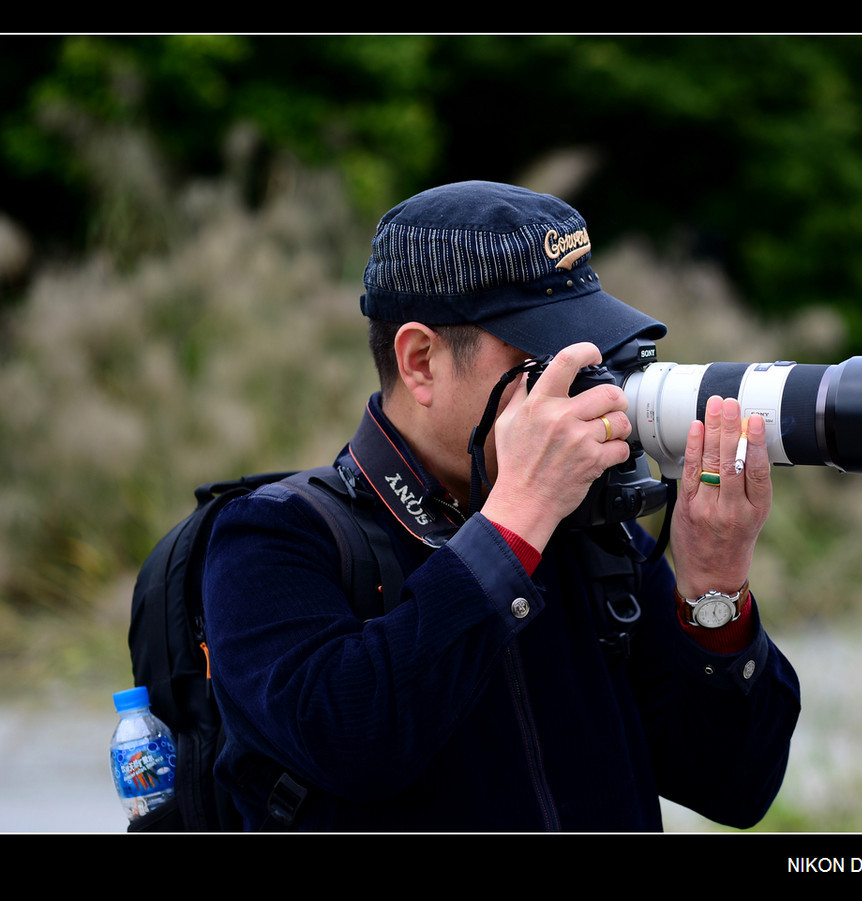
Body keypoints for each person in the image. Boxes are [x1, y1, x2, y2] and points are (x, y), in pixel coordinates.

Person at [202, 180, 801, 831]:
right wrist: (517, 520)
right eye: (539, 358)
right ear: (421, 361)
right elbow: (355, 742)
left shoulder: (593, 539)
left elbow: (733, 785)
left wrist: (714, 591)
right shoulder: (270, 538)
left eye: (589, 352)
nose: (580, 385)